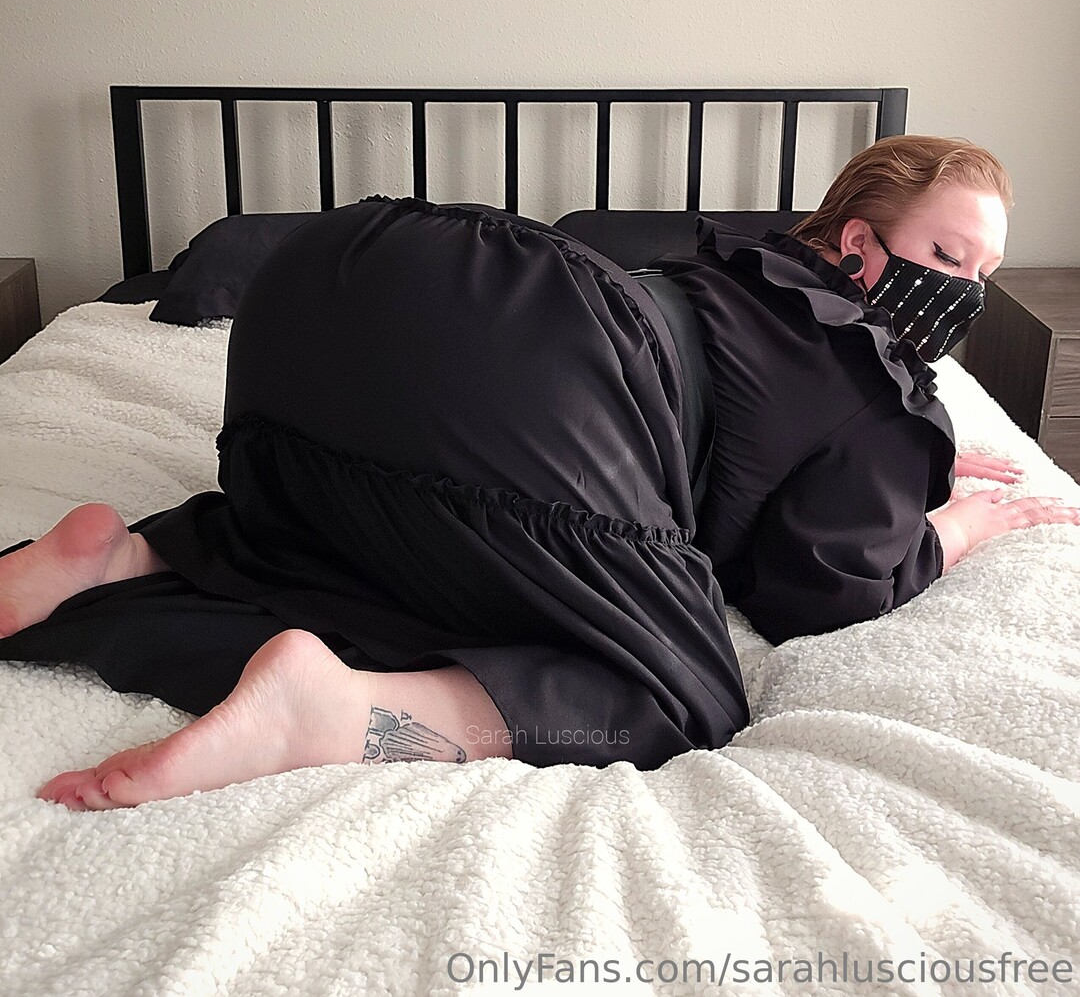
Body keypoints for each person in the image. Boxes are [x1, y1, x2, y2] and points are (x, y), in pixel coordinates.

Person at [1, 137, 1077, 811]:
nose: (968, 294)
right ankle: (343, 711)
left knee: (354, 525)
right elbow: (822, 589)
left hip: (327, 291)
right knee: (679, 696)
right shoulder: (869, 379)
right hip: (529, 389)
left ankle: (121, 559)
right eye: (948, 258)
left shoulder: (715, 269)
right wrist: (961, 524)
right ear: (855, 245)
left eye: (984, 272)